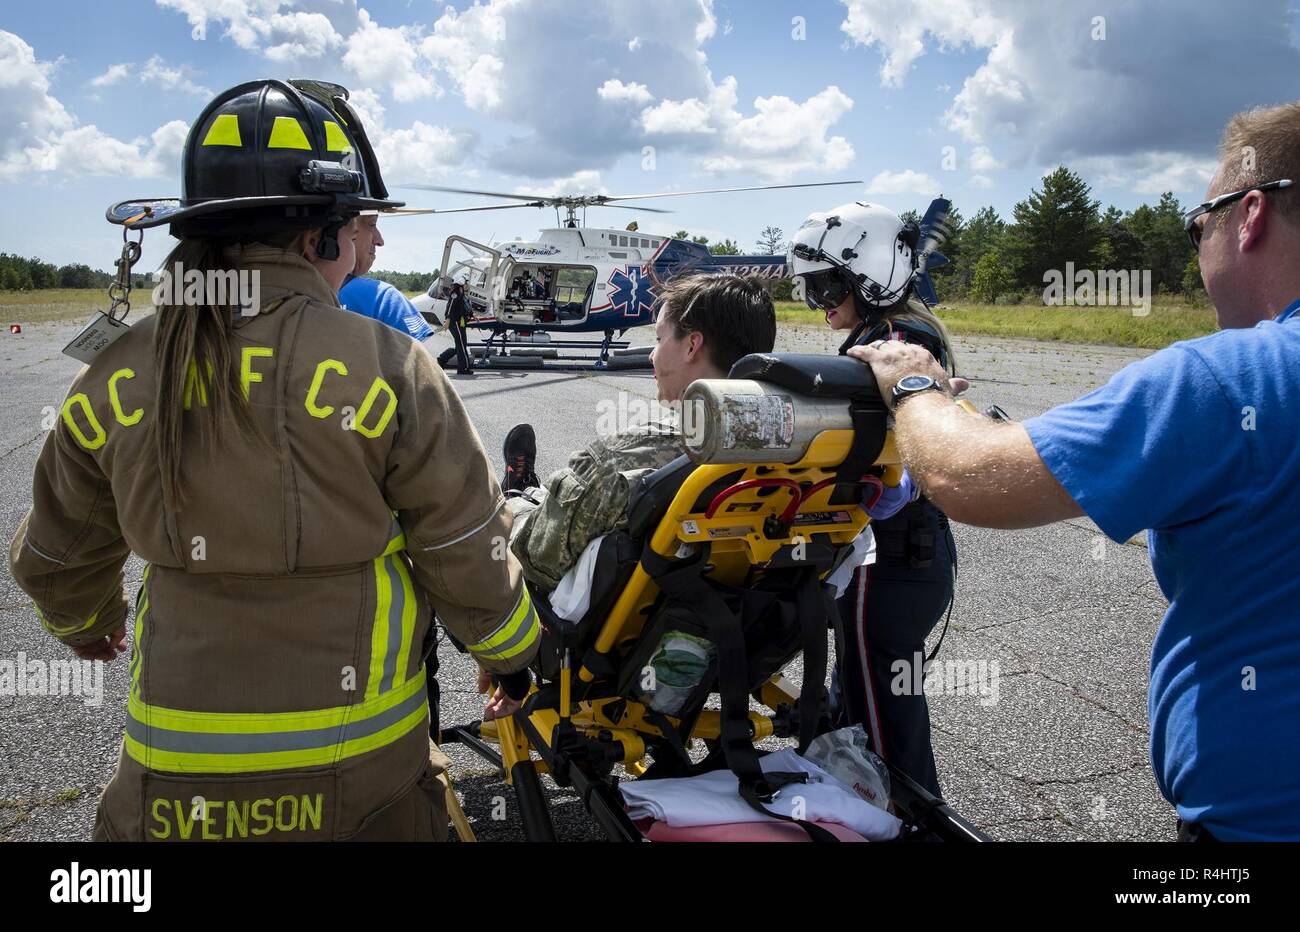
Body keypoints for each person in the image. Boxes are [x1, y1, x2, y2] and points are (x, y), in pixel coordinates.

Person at [9, 79, 538, 842]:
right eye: (360, 227)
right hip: (363, 789)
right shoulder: (390, 366)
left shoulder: (118, 371)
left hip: (169, 795)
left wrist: (87, 621)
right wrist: (511, 654)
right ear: (317, 236)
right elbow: (465, 544)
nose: (375, 244)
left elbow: (56, 556)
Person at [847, 101, 1300, 842]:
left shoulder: (1228, 380)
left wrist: (912, 385)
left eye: (1197, 223)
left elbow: (970, 478)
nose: (1197, 243)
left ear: (1248, 215)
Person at [787, 200, 960, 798]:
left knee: (884, 719)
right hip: (908, 552)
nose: (820, 301)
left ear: (870, 274)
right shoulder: (905, 331)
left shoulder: (892, 342)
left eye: (828, 284)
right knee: (862, 698)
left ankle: (910, 820)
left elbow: (886, 453)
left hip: (887, 557)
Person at [338, 212, 437, 345]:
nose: (380, 240)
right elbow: (423, 363)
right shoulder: (383, 299)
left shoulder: (302, 297)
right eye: (371, 224)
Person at [445, 281, 473, 374]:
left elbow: (464, 308)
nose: (467, 286)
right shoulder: (455, 293)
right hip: (455, 322)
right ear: (461, 283)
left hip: (460, 323)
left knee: (461, 345)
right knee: (461, 345)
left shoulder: (462, 294)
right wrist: (447, 319)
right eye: (466, 283)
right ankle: (463, 368)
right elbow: (450, 306)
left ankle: (442, 359)